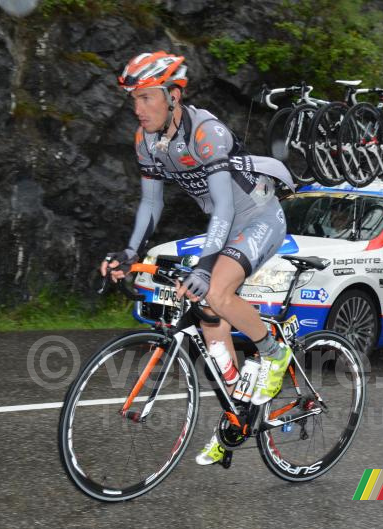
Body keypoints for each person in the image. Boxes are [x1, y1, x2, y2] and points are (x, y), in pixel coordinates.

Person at [100, 51, 297, 466]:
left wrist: (207, 267)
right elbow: (151, 202)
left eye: (147, 98)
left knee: (217, 292)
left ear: (173, 95)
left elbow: (224, 207)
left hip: (258, 217)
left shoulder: (207, 132)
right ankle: (236, 411)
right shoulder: (147, 141)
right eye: (133, 100)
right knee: (206, 311)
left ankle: (274, 354)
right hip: (224, 227)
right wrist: (130, 251)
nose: (138, 109)